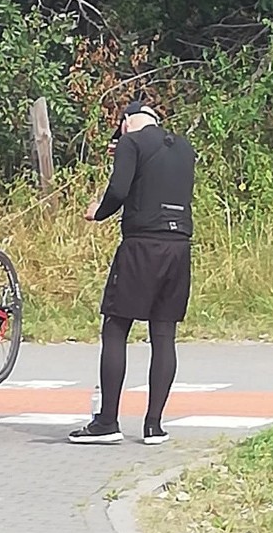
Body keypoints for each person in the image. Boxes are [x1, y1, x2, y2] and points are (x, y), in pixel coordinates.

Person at [69, 101, 196, 447]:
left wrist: (99, 211)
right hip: (179, 245)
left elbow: (120, 190)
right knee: (164, 334)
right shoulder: (185, 148)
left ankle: (107, 421)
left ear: (125, 123)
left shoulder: (131, 142)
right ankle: (154, 426)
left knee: (116, 326)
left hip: (142, 244)